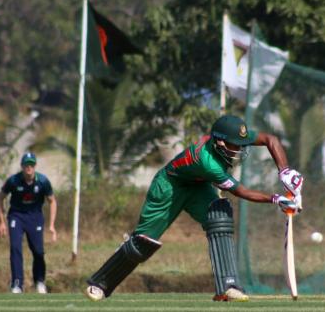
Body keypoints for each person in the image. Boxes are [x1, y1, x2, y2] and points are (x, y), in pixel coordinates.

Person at [84, 115, 303, 302]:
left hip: (197, 186)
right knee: (143, 243)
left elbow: (270, 139)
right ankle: (100, 283)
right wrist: (275, 199)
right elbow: (240, 191)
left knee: (220, 214)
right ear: (220, 143)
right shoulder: (207, 162)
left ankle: (228, 286)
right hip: (169, 187)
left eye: (242, 143)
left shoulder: (229, 137)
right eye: (235, 144)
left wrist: (284, 172)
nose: (240, 148)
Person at [0, 152, 58, 294]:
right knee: (15, 248)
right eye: (26, 165)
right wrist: (1, 222)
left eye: (31, 164)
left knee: (38, 251)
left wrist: (52, 225)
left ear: (35, 166)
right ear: (22, 166)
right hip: (16, 216)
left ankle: (39, 281)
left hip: (35, 217)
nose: (28, 167)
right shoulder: (13, 181)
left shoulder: (42, 181)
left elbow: (52, 201)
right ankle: (17, 284)